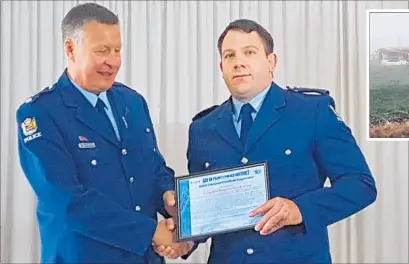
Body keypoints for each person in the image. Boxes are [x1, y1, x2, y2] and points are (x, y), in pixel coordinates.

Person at [155, 19, 377, 263]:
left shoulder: (312, 111)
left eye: (249, 52)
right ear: (221, 66)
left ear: (271, 62)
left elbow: (360, 184)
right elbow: (208, 208)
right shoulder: (203, 128)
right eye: (229, 56)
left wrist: (300, 209)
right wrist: (187, 240)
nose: (238, 62)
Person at [16, 3, 192, 264]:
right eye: (101, 51)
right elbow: (66, 200)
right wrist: (151, 232)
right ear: (70, 49)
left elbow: (154, 169)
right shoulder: (40, 113)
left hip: (143, 257)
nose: (112, 61)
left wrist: (169, 199)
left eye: (117, 50)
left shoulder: (132, 102)